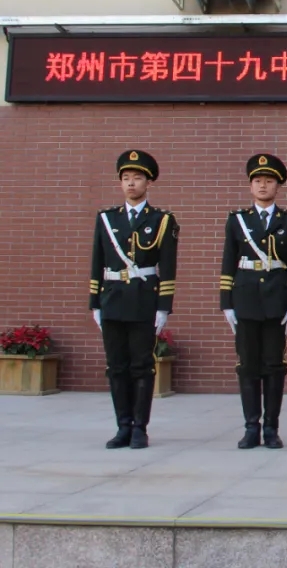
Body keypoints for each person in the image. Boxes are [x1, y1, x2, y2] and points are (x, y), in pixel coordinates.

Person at [89, 150, 179, 450]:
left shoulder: (162, 220)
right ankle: (122, 426)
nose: (130, 183)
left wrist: (164, 306)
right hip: (113, 299)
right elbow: (97, 262)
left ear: (148, 183)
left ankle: (140, 427)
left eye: (137, 178)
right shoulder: (106, 218)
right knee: (116, 366)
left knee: (141, 365)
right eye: (126, 178)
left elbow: (168, 266)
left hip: (143, 301)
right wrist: (95, 302)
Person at [219, 154, 287, 450]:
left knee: (274, 366)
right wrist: (226, 303)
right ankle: (251, 427)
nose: (263, 185)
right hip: (245, 299)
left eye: (269, 181)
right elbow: (228, 262)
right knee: (248, 365)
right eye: (258, 181)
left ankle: (271, 428)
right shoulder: (237, 220)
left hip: (276, 301)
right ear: (250, 186)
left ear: (277, 186)